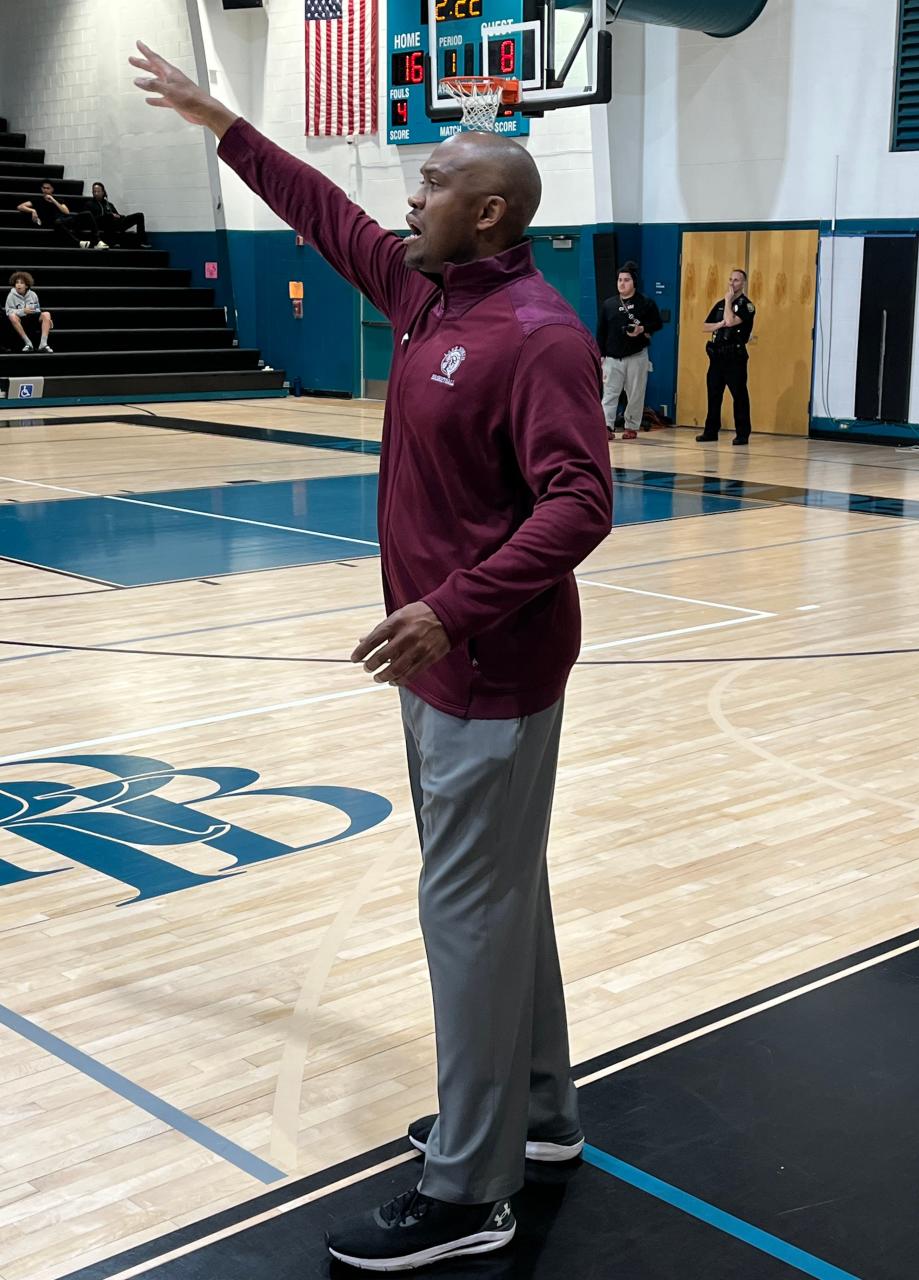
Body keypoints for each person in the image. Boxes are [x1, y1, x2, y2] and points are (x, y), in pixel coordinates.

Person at [131, 39, 613, 1275]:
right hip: (437, 660)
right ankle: (543, 1117)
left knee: (464, 910)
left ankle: (470, 1190)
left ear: (490, 207)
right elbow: (331, 216)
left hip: (486, 667)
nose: (409, 192)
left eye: (435, 177)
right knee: (507, 894)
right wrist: (222, 122)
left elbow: (579, 504)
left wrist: (455, 608)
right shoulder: (428, 296)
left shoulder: (535, 334)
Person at [596, 261, 662, 440]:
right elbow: (601, 331)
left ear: (634, 282)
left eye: (626, 280)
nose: (622, 283)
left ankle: (631, 426)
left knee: (635, 392)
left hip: (636, 355)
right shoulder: (608, 304)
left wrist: (642, 329)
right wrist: (600, 355)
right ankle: (606, 426)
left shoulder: (645, 303)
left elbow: (657, 323)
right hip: (612, 357)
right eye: (619, 280)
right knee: (610, 392)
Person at [697, 268, 756, 446]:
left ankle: (742, 434)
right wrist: (720, 323)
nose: (732, 283)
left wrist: (729, 302)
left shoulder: (746, 306)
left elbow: (730, 322)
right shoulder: (720, 304)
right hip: (717, 356)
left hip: (734, 356)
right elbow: (705, 326)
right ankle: (711, 431)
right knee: (714, 394)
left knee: (739, 395)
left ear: (743, 283)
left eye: (736, 280)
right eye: (730, 279)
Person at [16, 181, 97, 246]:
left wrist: (53, 200)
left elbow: (66, 212)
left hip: (66, 220)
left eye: (48, 188)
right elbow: (20, 206)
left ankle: (98, 240)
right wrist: (33, 211)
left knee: (87, 214)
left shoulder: (59, 200)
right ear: (41, 189)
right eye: (44, 188)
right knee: (57, 222)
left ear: (52, 190)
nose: (45, 190)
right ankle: (78, 243)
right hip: (55, 223)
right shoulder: (37, 200)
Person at [85, 182, 148, 248]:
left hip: (115, 223)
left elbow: (117, 215)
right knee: (109, 216)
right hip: (100, 224)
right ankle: (112, 242)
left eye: (98, 191)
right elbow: (89, 219)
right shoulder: (89, 204)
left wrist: (120, 216)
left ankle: (142, 242)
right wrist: (108, 215)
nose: (96, 193)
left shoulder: (108, 204)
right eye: (94, 191)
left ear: (103, 192)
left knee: (139, 215)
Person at [5, 271, 53, 352]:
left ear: (26, 285)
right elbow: (8, 311)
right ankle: (28, 343)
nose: (18, 285)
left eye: (22, 283)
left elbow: (38, 309)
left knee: (47, 314)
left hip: (32, 319)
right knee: (12, 316)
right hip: (19, 321)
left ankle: (43, 344)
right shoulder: (11, 295)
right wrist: (23, 311)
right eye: (17, 282)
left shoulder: (33, 294)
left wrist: (31, 310)